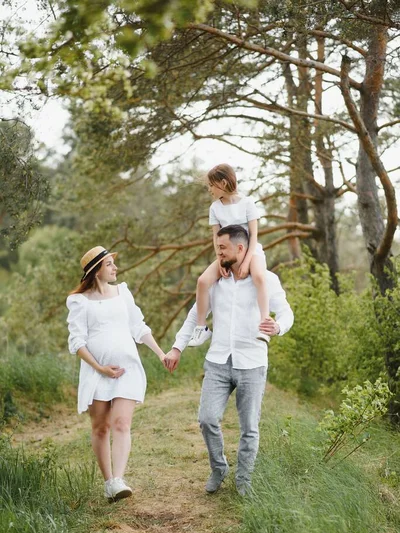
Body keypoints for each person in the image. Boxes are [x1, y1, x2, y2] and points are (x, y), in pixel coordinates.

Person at [164, 225, 294, 496]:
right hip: (218, 361)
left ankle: (243, 479)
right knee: (207, 419)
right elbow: (193, 316)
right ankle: (219, 468)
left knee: (249, 428)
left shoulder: (266, 279)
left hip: (253, 363)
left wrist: (278, 327)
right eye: (217, 247)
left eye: (222, 248)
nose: (218, 252)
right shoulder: (216, 282)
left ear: (240, 248)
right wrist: (177, 348)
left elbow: (286, 312)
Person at [66, 246, 165, 502]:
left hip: (127, 368)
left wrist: (161, 353)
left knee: (122, 423)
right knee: (101, 428)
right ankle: (109, 482)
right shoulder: (80, 301)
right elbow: (77, 341)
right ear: (96, 270)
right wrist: (99, 368)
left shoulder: (123, 293)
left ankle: (119, 480)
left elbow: (138, 327)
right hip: (97, 373)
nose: (115, 268)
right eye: (109, 264)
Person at [188, 164, 270, 347]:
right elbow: (216, 238)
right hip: (226, 253)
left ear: (223, 183)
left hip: (250, 250)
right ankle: (201, 328)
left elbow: (254, 236)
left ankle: (264, 324)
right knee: (202, 281)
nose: (209, 189)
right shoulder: (215, 208)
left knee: (259, 276)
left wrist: (247, 261)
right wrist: (220, 260)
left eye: (211, 185)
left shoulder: (248, 203)